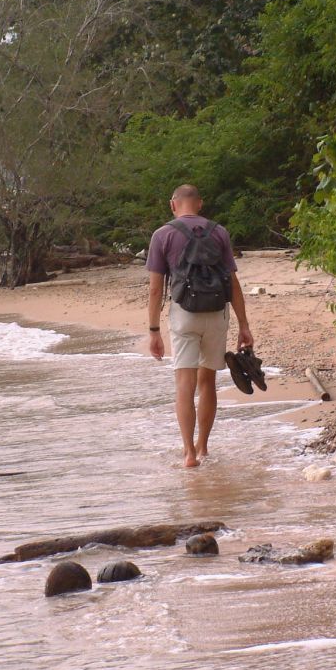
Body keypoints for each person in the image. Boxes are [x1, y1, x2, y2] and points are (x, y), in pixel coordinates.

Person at [145, 184, 253, 468]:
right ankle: (203, 447)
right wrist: (244, 325)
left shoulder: (162, 235)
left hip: (184, 314)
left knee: (184, 383)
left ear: (173, 205)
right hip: (217, 313)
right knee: (208, 382)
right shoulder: (219, 232)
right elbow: (233, 282)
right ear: (200, 204)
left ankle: (189, 454)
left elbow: (156, 290)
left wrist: (154, 331)